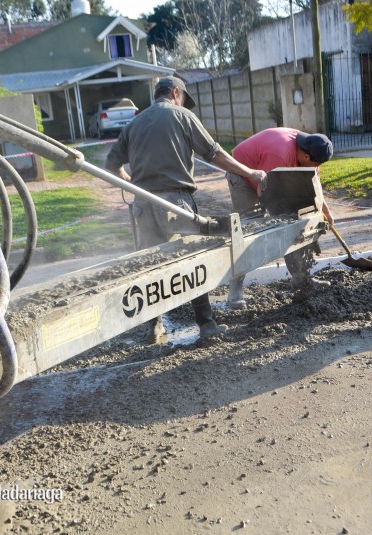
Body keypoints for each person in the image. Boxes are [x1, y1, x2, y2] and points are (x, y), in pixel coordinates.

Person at [105, 76, 266, 341]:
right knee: (193, 261)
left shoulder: (135, 122)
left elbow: (111, 166)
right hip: (176, 202)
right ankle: (206, 325)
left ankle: (154, 326)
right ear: (175, 93)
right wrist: (251, 172)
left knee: (150, 265)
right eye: (182, 100)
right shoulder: (182, 116)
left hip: (143, 204)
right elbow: (214, 153)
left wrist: (132, 183)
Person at [224, 127, 335, 309]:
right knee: (246, 229)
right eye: (314, 164)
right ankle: (234, 293)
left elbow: (315, 187)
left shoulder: (310, 150)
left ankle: (302, 279)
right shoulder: (280, 153)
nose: (315, 168)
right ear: (305, 157)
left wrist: (326, 213)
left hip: (268, 174)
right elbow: (264, 190)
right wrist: (280, 217)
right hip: (242, 172)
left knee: (295, 222)